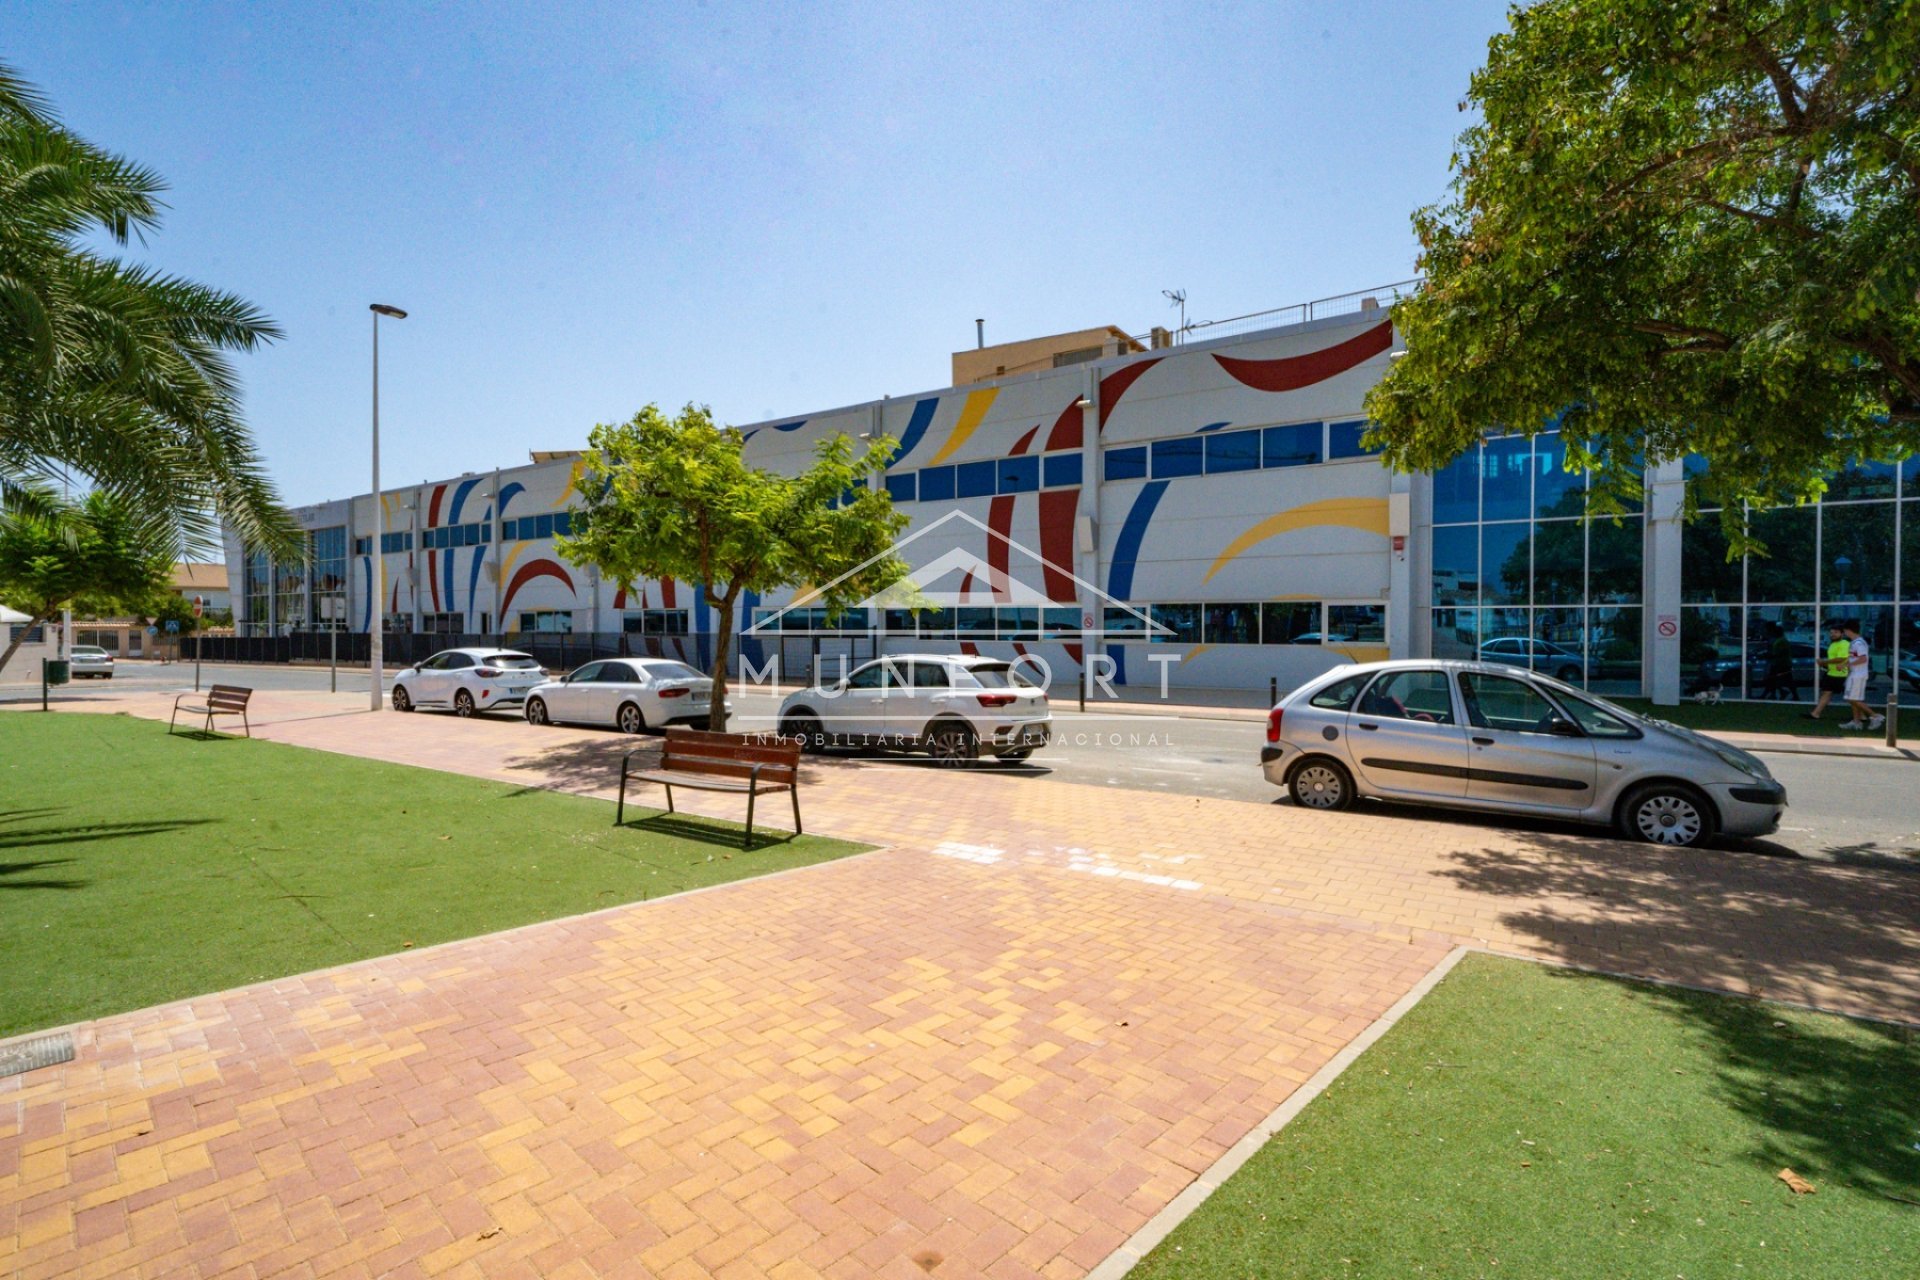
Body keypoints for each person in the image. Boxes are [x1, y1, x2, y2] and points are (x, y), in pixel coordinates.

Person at [1839, 620, 1885, 731]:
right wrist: (1844, 664)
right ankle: (1856, 722)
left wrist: (1848, 665)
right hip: (1854, 674)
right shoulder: (1855, 643)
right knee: (1852, 698)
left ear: (1848, 630)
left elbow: (1863, 658)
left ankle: (1875, 716)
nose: (1844, 633)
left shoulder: (1859, 643)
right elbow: (1854, 656)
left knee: (1853, 699)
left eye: (1845, 631)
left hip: (1858, 674)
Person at [1805, 622, 1849, 720]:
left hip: (1840, 674)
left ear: (1842, 634)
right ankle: (1815, 713)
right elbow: (1834, 659)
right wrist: (1824, 664)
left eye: (1836, 632)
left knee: (1851, 697)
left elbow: (1841, 658)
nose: (1832, 634)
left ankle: (1866, 715)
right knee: (1827, 693)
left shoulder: (1844, 644)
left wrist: (1824, 661)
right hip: (1832, 673)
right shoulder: (1833, 644)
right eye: (1831, 633)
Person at [1763, 626, 1798, 701]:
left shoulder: (1780, 641)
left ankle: (1788, 694)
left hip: (1781, 664)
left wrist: (1768, 655)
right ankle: (1783, 693)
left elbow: (1778, 653)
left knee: (1774, 679)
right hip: (1781, 663)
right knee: (1776, 679)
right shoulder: (1782, 640)